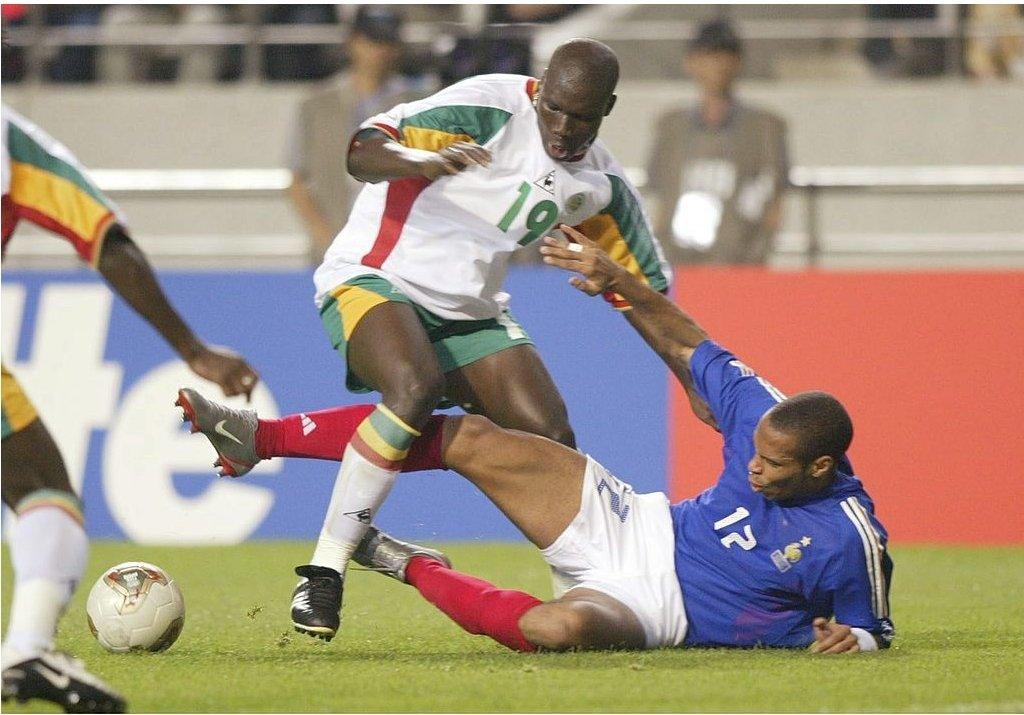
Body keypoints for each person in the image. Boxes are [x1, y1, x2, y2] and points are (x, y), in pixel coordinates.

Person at [181, 223, 892, 654]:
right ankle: (259, 436)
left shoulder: (848, 537)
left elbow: (871, 629)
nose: (755, 468)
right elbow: (689, 345)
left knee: (555, 631)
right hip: (642, 526)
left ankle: (408, 563)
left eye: (771, 466)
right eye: (755, 455)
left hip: (658, 611)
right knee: (472, 436)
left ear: (822, 467)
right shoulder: (763, 413)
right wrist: (620, 284)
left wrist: (851, 640)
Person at [184, 38, 670, 643]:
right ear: (539, 90)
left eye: (583, 117)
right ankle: (325, 569)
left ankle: (574, 597)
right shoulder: (487, 106)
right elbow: (361, 152)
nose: (565, 129)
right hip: (373, 275)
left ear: (609, 109)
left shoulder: (600, 185)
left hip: (471, 310)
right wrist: (419, 163)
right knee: (414, 388)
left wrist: (688, 370)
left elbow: (649, 292)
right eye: (555, 110)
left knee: (552, 440)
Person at [1, 105, 260, 713]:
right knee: (44, 491)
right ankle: (26, 649)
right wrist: (192, 350)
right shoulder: (11, 140)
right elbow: (104, 238)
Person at [286, 6, 433, 263]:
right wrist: (327, 238)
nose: (379, 51)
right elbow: (296, 180)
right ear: (352, 42)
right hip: (333, 246)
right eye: (371, 41)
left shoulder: (419, 104)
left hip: (400, 250)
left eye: (387, 42)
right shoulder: (317, 104)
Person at [647, 20, 789, 265]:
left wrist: (758, 255)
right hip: (679, 263)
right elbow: (661, 197)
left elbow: (774, 199)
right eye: (709, 55)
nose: (718, 65)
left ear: (738, 62)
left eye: (726, 55)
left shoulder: (765, 126)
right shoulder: (671, 126)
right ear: (691, 62)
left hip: (740, 265)